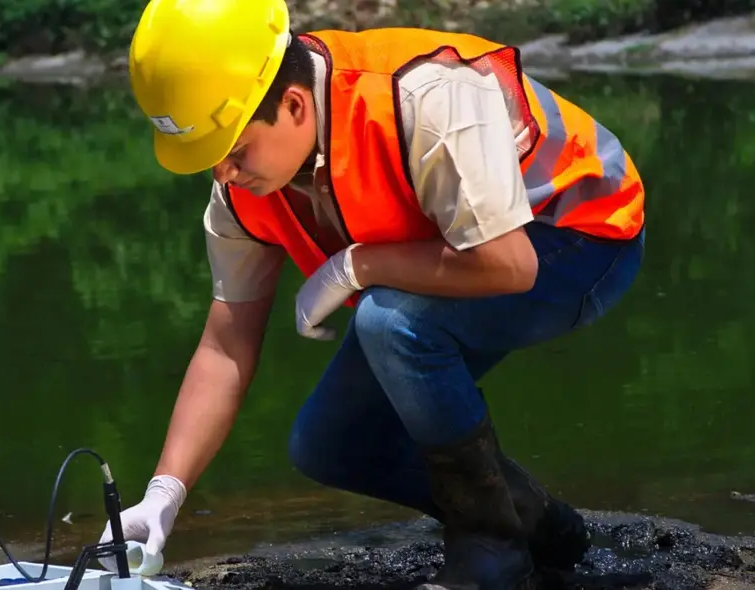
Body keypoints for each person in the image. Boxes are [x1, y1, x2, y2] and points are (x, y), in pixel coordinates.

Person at [99, 0, 646, 588]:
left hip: (581, 240)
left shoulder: (425, 98)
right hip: (471, 262)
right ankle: (542, 526)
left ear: (293, 104)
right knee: (329, 444)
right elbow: (226, 343)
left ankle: (492, 551)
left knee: (389, 324)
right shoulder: (243, 185)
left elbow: (508, 266)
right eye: (209, 159)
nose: (223, 175)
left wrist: (355, 265)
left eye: (232, 152)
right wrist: (164, 495)